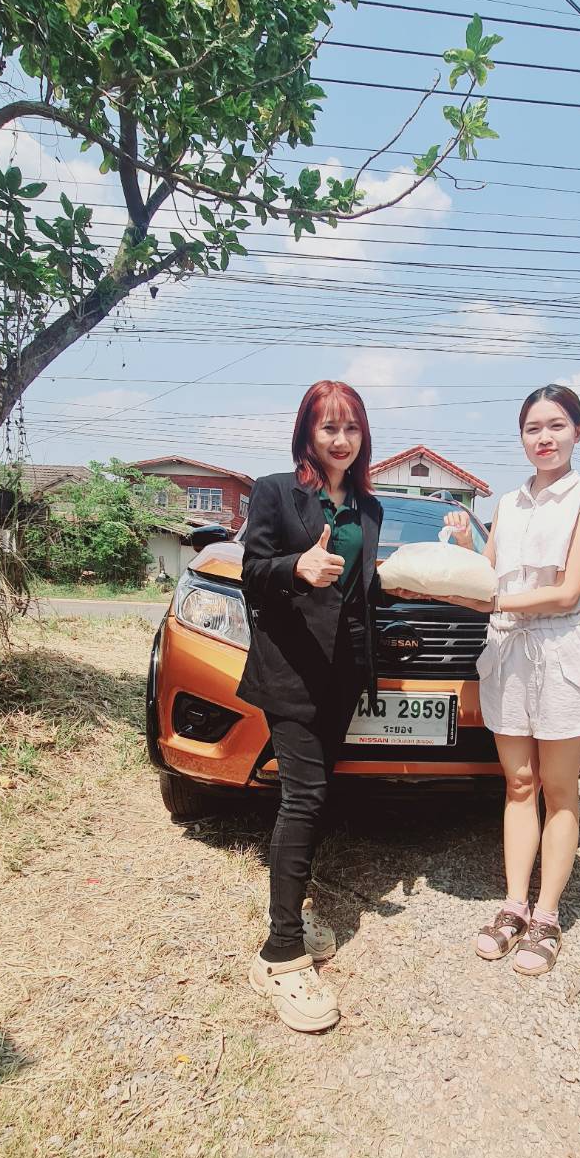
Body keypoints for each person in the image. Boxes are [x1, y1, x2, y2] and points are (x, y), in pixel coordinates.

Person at [443, 384, 580, 976]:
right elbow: (488, 577)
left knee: (560, 789)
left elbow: (567, 591)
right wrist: (466, 547)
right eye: (533, 428)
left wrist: (496, 601)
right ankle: (513, 905)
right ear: (521, 437)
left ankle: (547, 916)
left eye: (557, 425)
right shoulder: (508, 503)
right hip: (508, 651)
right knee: (518, 784)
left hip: (561, 648)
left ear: (577, 432)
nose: (545, 438)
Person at [237, 380, 382, 1033]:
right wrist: (296, 567)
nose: (340, 439)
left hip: (342, 674)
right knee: (303, 797)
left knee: (316, 797)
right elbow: (252, 571)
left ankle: (294, 910)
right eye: (329, 427)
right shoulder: (275, 491)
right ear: (307, 434)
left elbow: (362, 591)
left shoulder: (369, 507)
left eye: (351, 427)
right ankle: (280, 953)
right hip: (291, 669)